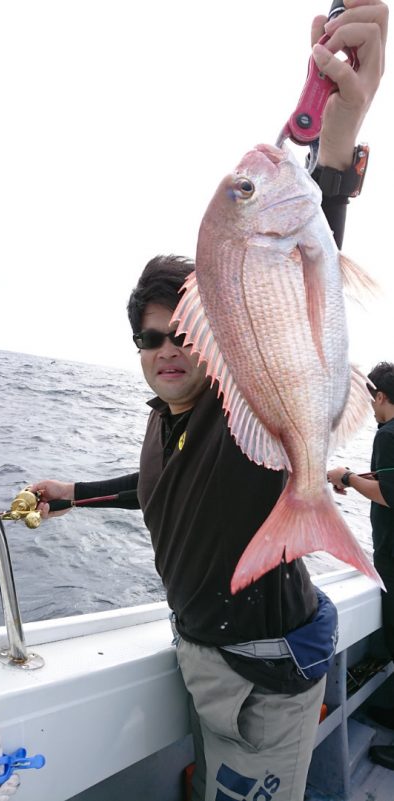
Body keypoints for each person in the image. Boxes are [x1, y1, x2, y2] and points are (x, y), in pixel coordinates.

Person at [30, 5, 389, 800]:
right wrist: (74, 495)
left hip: (263, 675)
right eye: (148, 340)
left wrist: (337, 141)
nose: (166, 351)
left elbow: (296, 290)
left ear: (214, 339)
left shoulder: (241, 413)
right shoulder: (170, 425)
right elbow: (154, 494)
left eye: (180, 335)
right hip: (205, 664)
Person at [327, 361, 394, 771]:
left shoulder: (387, 434)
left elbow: (390, 492)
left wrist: (348, 478)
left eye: (372, 400)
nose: (371, 408)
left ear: (381, 397)